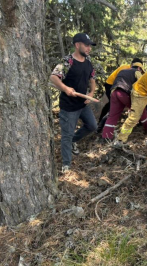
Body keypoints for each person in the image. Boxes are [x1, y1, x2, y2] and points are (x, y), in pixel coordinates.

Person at [50, 33, 98, 172]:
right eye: (86, 45)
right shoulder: (67, 61)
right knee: (67, 135)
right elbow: (54, 77)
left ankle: (73, 142)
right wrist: (65, 89)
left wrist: (91, 93)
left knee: (92, 126)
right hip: (69, 106)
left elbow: (92, 77)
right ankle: (66, 165)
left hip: (83, 104)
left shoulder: (88, 61)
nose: (89, 48)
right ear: (77, 45)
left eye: (90, 46)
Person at [101, 62, 147, 139]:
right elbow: (142, 84)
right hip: (124, 93)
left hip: (114, 93)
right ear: (139, 68)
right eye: (141, 71)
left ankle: (106, 136)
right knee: (141, 109)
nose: (141, 72)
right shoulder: (137, 72)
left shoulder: (123, 71)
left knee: (113, 116)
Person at [97, 58, 144, 131]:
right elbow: (120, 80)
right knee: (112, 107)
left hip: (118, 86)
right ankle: (100, 126)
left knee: (111, 104)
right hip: (111, 85)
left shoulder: (133, 70)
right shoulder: (125, 68)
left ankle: (101, 124)